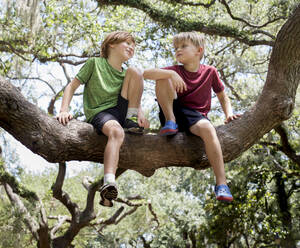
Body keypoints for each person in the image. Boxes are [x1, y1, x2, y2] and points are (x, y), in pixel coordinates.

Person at [57, 31, 149, 207]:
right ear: (111, 44)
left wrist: (140, 114)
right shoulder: (95, 64)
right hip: (101, 113)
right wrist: (64, 110)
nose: (131, 47)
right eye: (127, 42)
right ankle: (109, 183)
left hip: (123, 112)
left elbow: (133, 97)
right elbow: (71, 86)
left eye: (133, 45)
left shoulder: (126, 73)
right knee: (116, 132)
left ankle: (131, 120)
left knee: (136, 71)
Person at [151, 31, 240, 202]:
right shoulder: (174, 70)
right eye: (176, 47)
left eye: (183, 46)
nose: (178, 50)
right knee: (162, 77)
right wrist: (170, 74)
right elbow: (145, 73)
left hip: (195, 117)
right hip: (173, 112)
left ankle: (221, 183)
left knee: (208, 128)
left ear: (199, 51)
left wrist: (228, 114)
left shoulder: (210, 72)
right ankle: (170, 122)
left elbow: (222, 96)